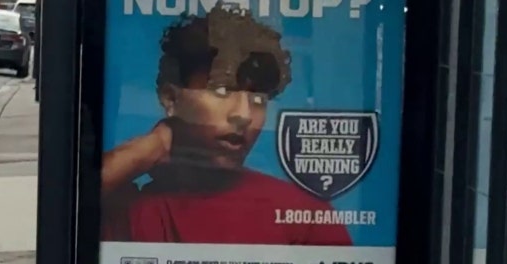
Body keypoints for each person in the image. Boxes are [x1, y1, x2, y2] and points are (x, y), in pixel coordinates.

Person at [101, 5, 352, 247]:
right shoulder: (127, 207)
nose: (243, 114)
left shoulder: (302, 213)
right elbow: (65, 207)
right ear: (171, 98)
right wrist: (149, 148)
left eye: (257, 100)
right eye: (221, 91)